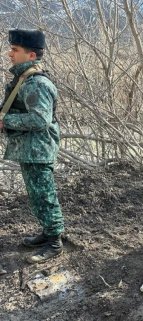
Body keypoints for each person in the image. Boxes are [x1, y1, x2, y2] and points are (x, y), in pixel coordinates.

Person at [0, 29, 63, 264]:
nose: (10, 54)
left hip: (39, 149)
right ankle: (48, 233)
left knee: (44, 195)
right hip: (31, 148)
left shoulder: (37, 84)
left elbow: (40, 119)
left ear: (32, 56)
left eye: (15, 50)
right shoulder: (25, 78)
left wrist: (6, 121)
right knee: (37, 195)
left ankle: (54, 242)